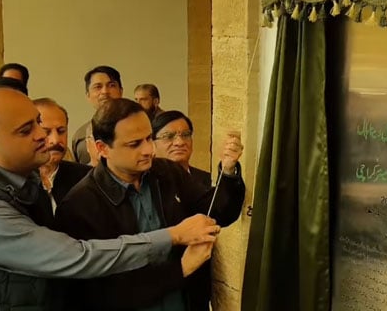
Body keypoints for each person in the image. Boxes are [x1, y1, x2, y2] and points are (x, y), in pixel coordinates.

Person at [0, 87, 221, 309]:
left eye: (39, 123)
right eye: (26, 130)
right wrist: (173, 237)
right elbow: (78, 257)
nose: (44, 136)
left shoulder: (25, 183)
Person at [55, 99, 245, 310]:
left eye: (148, 139)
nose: (148, 150)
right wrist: (180, 268)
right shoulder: (80, 204)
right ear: (103, 148)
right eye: (134, 144)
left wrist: (228, 172)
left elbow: (216, 212)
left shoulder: (166, 172)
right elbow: (99, 290)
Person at [152, 110, 221, 310]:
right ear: (152, 144)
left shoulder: (205, 180)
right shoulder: (148, 186)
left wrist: (228, 170)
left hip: (200, 284)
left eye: (185, 135)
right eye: (169, 136)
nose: (180, 142)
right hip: (164, 283)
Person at [34, 98, 92, 209]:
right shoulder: (17, 182)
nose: (55, 140)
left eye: (61, 131)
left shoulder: (87, 178)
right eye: (46, 132)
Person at [72, 66, 123, 164]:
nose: (105, 92)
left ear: (121, 91)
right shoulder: (80, 137)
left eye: (111, 85)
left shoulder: (141, 128)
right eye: (98, 87)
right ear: (88, 95)